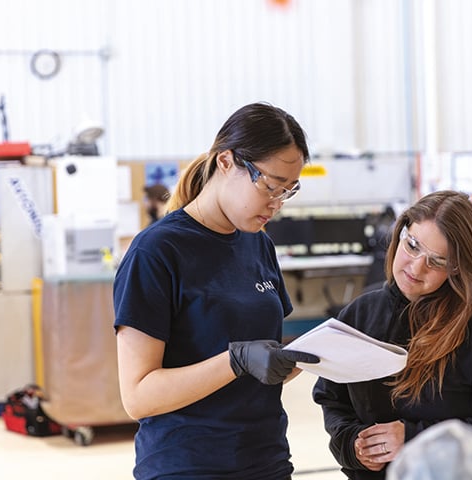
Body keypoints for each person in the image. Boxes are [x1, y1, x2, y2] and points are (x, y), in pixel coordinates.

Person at [113, 102, 320, 480]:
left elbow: (259, 365)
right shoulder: (157, 251)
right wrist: (235, 361)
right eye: (270, 185)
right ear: (226, 162)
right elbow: (138, 397)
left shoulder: (258, 244)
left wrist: (293, 359)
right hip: (189, 466)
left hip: (265, 460)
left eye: (288, 191)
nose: (275, 203)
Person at [312, 190, 472, 479]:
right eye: (413, 246)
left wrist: (412, 438)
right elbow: (331, 396)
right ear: (400, 234)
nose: (416, 267)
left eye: (438, 261)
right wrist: (353, 445)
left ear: (458, 267)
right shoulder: (362, 313)